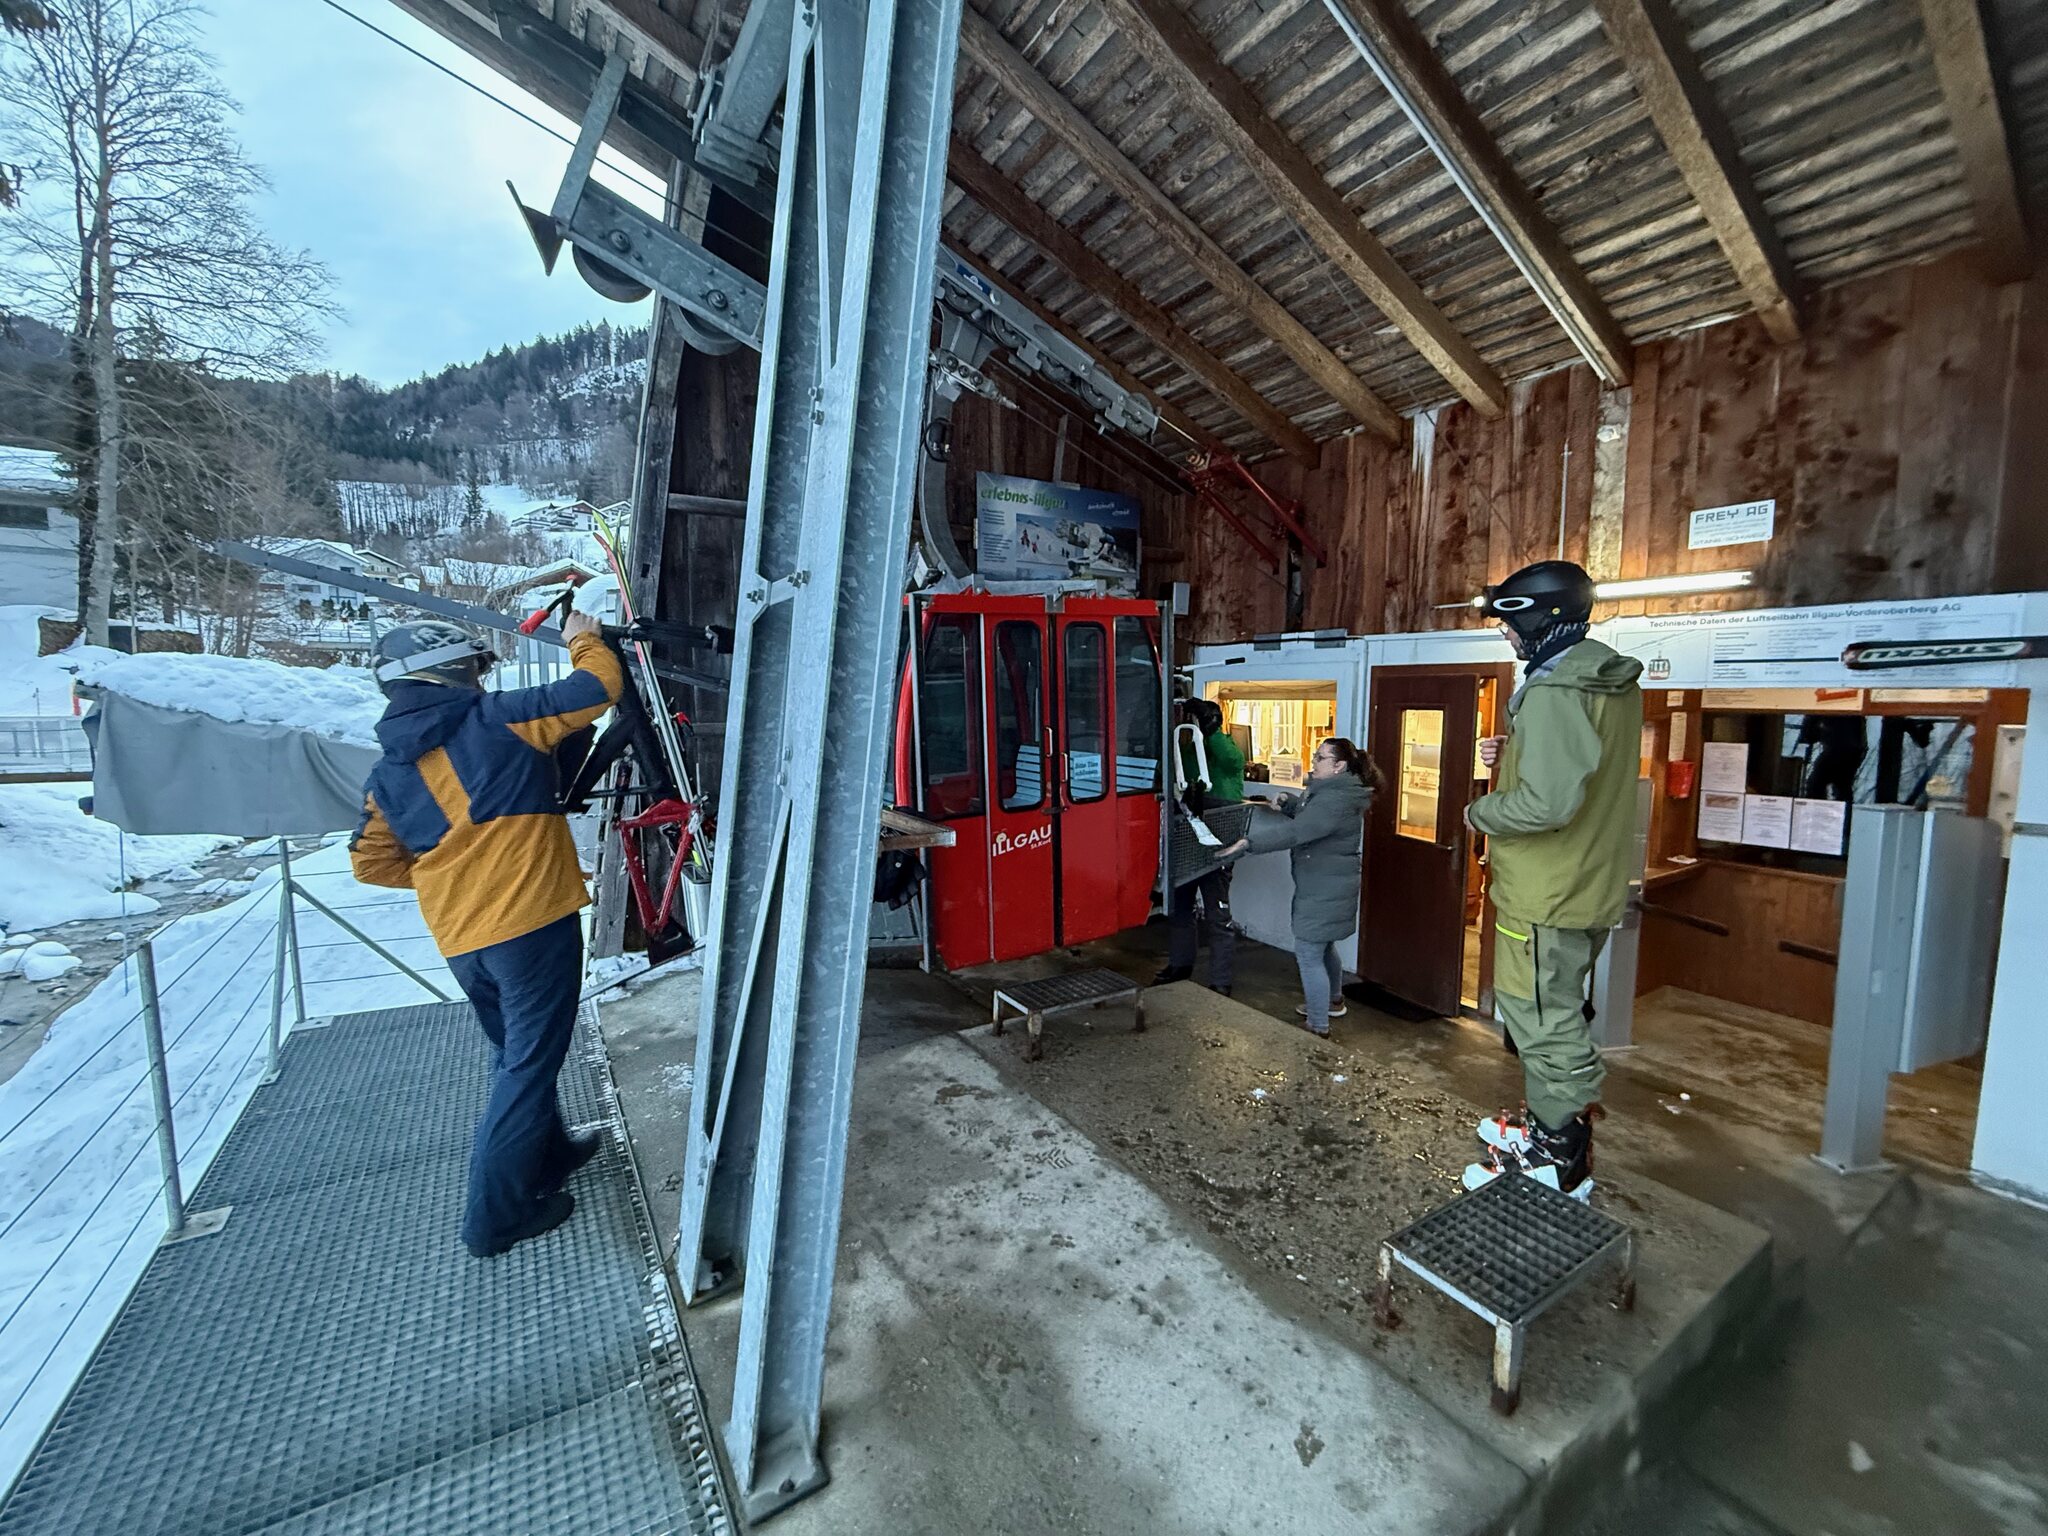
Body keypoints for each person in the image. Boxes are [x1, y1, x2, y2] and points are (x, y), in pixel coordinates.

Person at [349, 614, 624, 1258]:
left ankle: (548, 1156)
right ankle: (494, 1219)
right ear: (452, 669)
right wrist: (584, 638)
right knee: (527, 1066)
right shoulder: (500, 718)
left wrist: (455, 879)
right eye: (476, 666)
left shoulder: (388, 772)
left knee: (514, 1056)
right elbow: (596, 688)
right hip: (529, 926)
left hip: (462, 940)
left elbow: (371, 864)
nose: (481, 676)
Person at [1460, 560, 1643, 1200]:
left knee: (1541, 1019)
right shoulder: (1603, 681)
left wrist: (1478, 811)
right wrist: (1513, 753)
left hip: (1545, 890)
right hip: (1586, 881)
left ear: (1541, 620)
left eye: (1509, 623)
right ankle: (1547, 1122)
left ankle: (1558, 1157)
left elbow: (1547, 805)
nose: (1506, 634)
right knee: (1553, 1008)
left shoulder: (1555, 691)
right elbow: (1581, 772)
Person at [1218, 737, 1377, 1036]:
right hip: (1326, 883)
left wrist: (1248, 844)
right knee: (1323, 944)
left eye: (1320, 758)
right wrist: (1291, 804)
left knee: (1308, 951)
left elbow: (1298, 832)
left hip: (1325, 887)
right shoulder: (1331, 791)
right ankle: (1333, 1001)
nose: (1313, 762)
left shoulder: (1334, 799)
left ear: (1339, 766)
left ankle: (1317, 1026)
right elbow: (1313, 820)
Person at [1155, 697, 1244, 994]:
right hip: (1187, 838)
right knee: (1180, 908)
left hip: (1218, 845)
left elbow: (1232, 760)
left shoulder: (1226, 751)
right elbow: (1169, 772)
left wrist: (1213, 731)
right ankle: (1180, 965)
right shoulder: (1186, 753)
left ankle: (1221, 981)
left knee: (1217, 915)